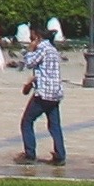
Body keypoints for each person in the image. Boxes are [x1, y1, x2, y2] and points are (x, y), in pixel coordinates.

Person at [17, 28, 67, 165]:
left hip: (43, 94)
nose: (30, 40)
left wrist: (30, 50)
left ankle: (30, 154)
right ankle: (60, 155)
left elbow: (29, 63)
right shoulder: (53, 49)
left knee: (26, 122)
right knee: (55, 125)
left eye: (32, 37)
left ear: (38, 37)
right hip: (55, 94)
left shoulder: (42, 49)